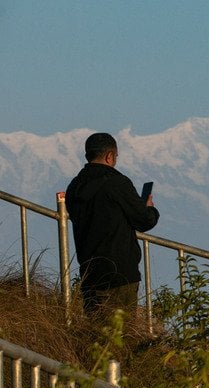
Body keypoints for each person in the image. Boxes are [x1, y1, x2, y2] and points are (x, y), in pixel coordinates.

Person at [65, 132, 160, 317]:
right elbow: (144, 221)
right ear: (110, 156)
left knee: (97, 333)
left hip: (90, 274)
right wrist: (150, 209)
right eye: (115, 157)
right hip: (120, 274)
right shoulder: (117, 183)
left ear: (87, 155)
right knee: (121, 334)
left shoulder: (74, 187)